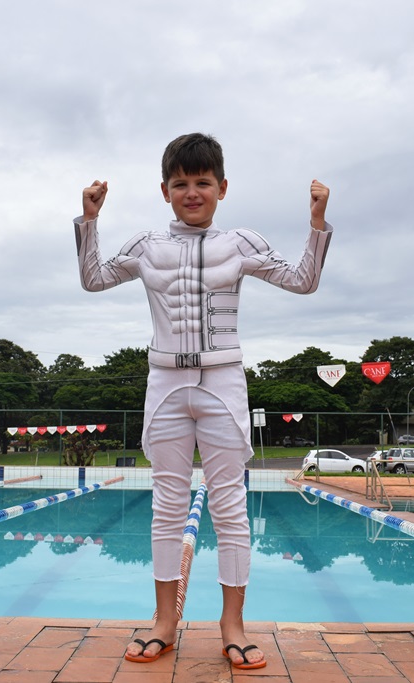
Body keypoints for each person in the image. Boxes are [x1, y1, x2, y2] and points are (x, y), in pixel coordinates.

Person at [74, 133, 332, 670]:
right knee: (167, 505)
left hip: (222, 380)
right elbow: (93, 279)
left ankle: (232, 625)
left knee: (230, 506)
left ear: (222, 188)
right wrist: (90, 220)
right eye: (180, 184)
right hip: (165, 382)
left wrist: (316, 224)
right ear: (164, 191)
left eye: (203, 183)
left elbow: (304, 281)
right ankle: (164, 622)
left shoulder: (240, 243)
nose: (192, 192)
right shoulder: (146, 246)